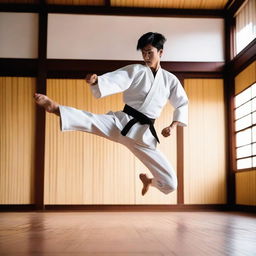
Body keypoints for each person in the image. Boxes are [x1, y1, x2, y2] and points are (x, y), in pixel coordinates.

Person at [34, 32, 188, 196]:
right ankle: (55, 108)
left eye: (150, 52)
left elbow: (182, 103)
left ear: (160, 52)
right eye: (143, 52)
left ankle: (149, 182)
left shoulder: (170, 80)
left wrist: (172, 126)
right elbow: (117, 79)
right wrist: (97, 81)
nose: (146, 56)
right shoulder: (136, 70)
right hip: (122, 122)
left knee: (171, 183)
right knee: (91, 120)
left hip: (143, 134)